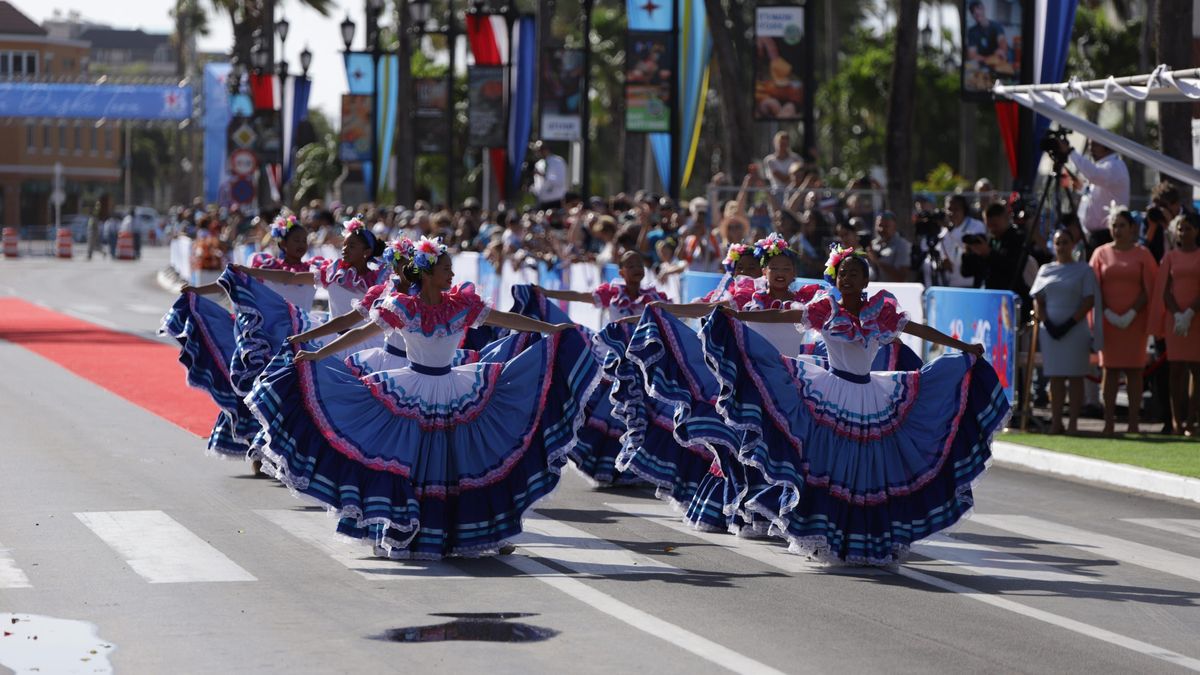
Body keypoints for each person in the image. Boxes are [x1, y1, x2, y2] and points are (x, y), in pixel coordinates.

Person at [246, 238, 599, 559]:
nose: (451, 274)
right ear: (428, 273)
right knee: (410, 465)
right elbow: (360, 331)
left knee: (459, 466)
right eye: (446, 269)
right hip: (411, 389)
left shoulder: (461, 305)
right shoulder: (403, 308)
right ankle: (403, 529)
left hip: (454, 388)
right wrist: (316, 356)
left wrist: (552, 330)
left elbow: (507, 319)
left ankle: (476, 532)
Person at [704, 245, 1006, 565]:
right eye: (842, 273)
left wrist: (964, 347)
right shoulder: (826, 308)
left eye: (854, 274)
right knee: (826, 468)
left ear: (865, 281)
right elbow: (786, 314)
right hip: (830, 392)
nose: (846, 278)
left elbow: (920, 330)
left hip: (869, 396)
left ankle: (868, 539)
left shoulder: (882, 312)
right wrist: (740, 315)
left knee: (868, 473)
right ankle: (825, 535)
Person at [1090, 208, 1158, 435]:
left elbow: (1150, 285)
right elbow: (1093, 286)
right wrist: (1107, 312)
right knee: (1109, 369)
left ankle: (1133, 422)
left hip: (1135, 321)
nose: (1117, 230)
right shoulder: (1100, 253)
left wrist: (1131, 312)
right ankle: (1108, 421)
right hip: (1108, 321)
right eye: (1114, 225)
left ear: (1132, 228)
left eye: (1122, 225)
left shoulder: (1143, 254)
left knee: (1134, 371)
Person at [1030, 230, 1101, 434]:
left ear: (1073, 244)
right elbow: (1038, 299)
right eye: (1058, 242)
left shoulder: (1083, 270)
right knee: (1055, 377)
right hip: (1050, 330)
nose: (1061, 246)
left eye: (1065, 242)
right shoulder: (1045, 269)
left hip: (1075, 329)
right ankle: (1056, 422)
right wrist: (1049, 323)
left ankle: (1073, 423)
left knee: (1076, 376)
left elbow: (1089, 299)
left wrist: (1069, 323)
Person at [1150, 212, 1200, 435]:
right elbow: (1165, 289)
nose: (1183, 232)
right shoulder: (1170, 256)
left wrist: (1190, 312)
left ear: (1196, 231)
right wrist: (1178, 313)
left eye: (1188, 228)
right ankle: (1176, 420)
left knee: (1196, 370)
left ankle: (1192, 420)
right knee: (1176, 369)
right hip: (1175, 318)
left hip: (1197, 318)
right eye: (1180, 228)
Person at [1060, 137, 1130, 254]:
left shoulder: (1114, 165)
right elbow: (1097, 193)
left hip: (1106, 236)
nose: (1090, 149)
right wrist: (1081, 188)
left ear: (1106, 146)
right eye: (1089, 145)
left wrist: (1070, 152)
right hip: (1094, 237)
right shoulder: (1105, 166)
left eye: (1094, 145)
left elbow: (1093, 174)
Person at [926, 194, 986, 287]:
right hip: (950, 285)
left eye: (956, 209)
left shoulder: (976, 225)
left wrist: (950, 231)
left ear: (964, 210)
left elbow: (971, 248)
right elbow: (940, 252)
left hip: (972, 285)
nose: (952, 213)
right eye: (949, 209)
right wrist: (942, 261)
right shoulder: (944, 231)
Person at [966, 1, 1011, 79]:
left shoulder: (996, 26)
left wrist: (1002, 50)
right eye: (973, 11)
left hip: (998, 63)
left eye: (978, 8)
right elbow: (972, 55)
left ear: (983, 9)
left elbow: (1002, 41)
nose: (976, 12)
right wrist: (988, 59)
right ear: (972, 15)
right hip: (982, 66)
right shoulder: (972, 31)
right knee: (969, 67)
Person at [867, 210, 912, 282]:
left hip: (893, 290)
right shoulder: (873, 244)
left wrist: (878, 261)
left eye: (886, 226)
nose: (882, 229)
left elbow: (901, 277)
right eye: (880, 225)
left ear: (894, 227)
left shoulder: (902, 245)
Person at [530, 140, 568, 209]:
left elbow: (560, 182)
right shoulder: (538, 164)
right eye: (537, 150)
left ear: (547, 149)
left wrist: (544, 176)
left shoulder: (558, 161)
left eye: (541, 149)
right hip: (542, 202)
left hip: (556, 201)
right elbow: (538, 185)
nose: (539, 152)